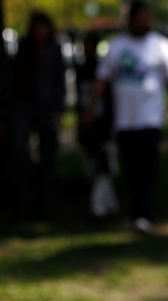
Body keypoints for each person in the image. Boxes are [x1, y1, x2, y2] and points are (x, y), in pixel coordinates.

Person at [83, 0, 168, 233]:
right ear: (130, 20)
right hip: (125, 119)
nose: (145, 22)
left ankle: (143, 212)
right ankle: (134, 211)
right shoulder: (116, 47)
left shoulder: (161, 45)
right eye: (141, 18)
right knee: (129, 167)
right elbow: (101, 81)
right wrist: (90, 110)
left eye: (148, 18)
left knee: (147, 167)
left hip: (151, 118)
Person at [11, 11, 66, 216]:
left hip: (47, 107)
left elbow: (59, 81)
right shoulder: (25, 48)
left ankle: (47, 202)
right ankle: (25, 201)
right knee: (21, 153)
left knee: (48, 156)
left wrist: (58, 108)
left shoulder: (53, 50)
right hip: (26, 106)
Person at [76, 32, 120, 219]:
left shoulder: (103, 70)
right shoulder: (82, 70)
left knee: (106, 166)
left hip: (104, 125)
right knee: (97, 167)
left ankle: (105, 204)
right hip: (90, 127)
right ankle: (101, 205)